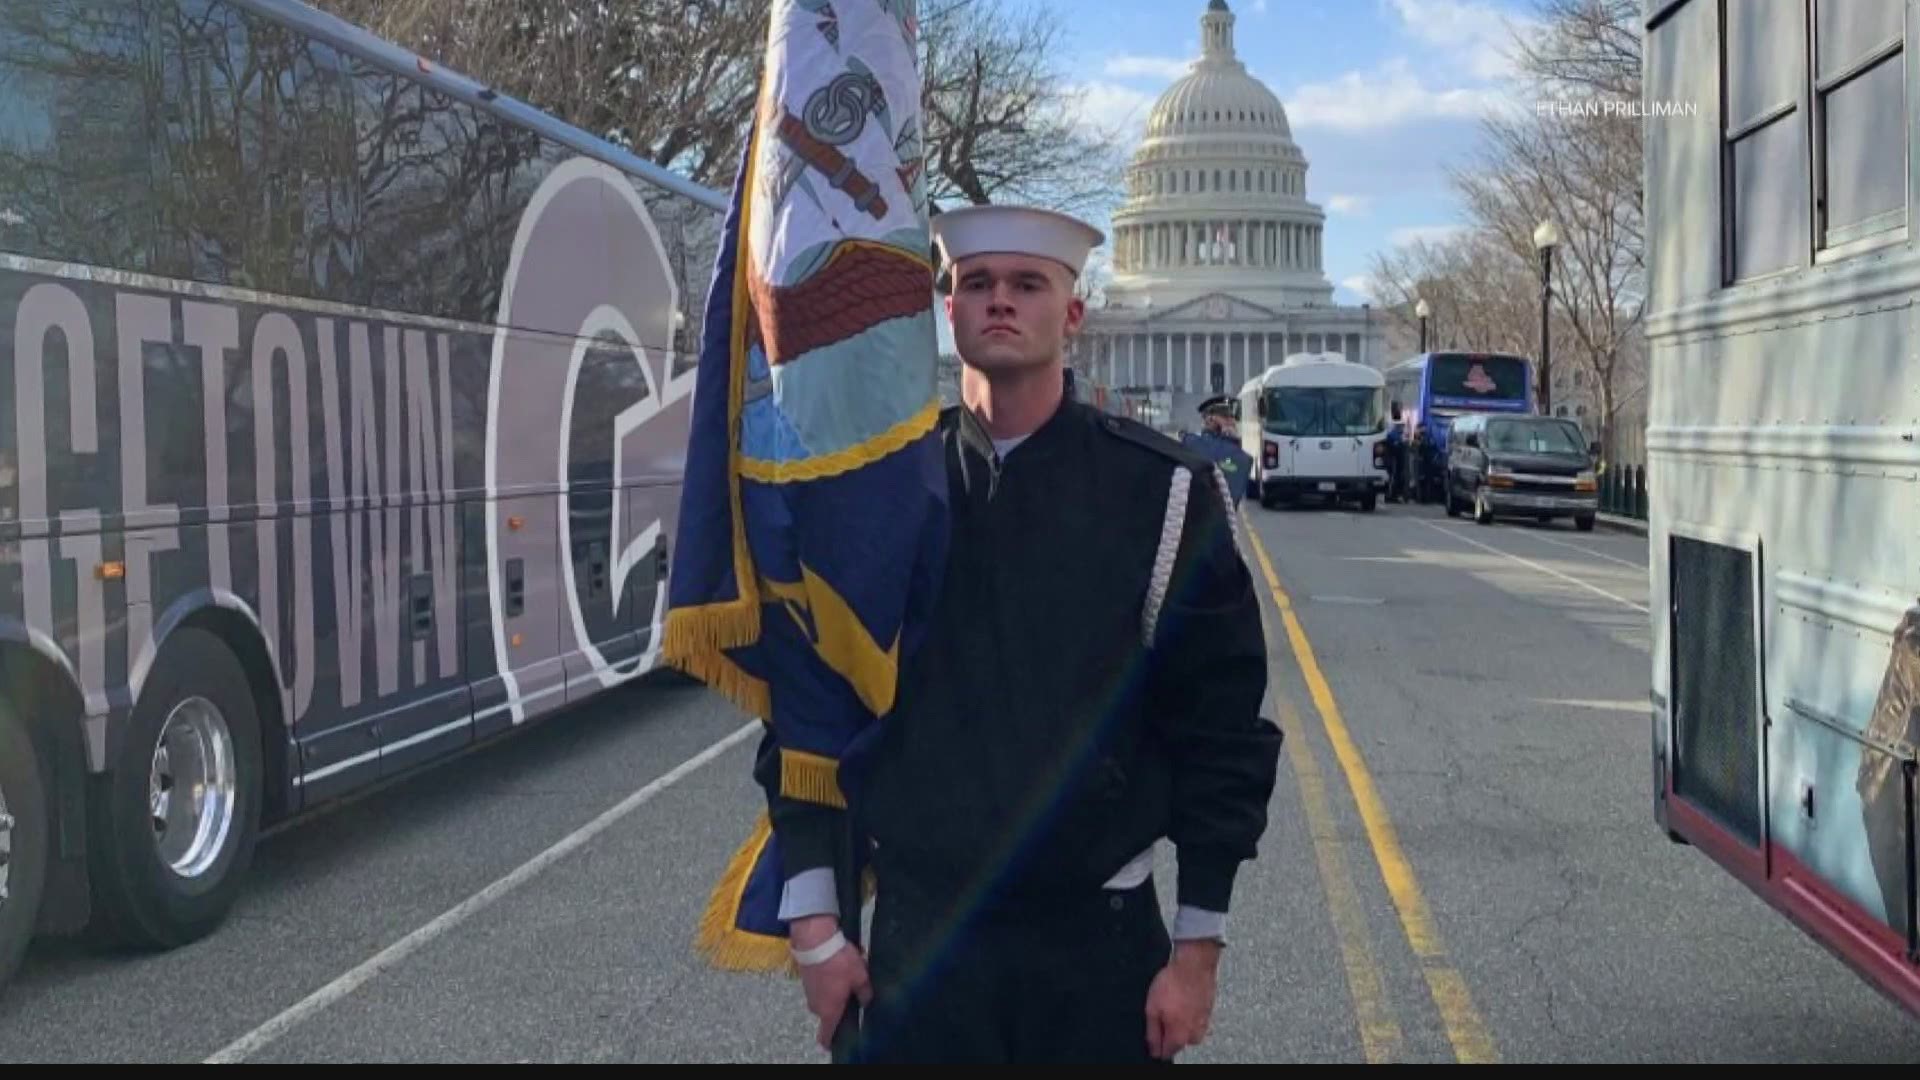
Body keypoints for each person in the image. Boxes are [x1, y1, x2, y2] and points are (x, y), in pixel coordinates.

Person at [756, 203, 1283, 1063]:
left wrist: (1197, 953)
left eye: (1028, 284)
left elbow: (1221, 732)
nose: (1001, 301)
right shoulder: (876, 496)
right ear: (949, 309)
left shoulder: (1163, 494)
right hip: (921, 943)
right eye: (977, 284)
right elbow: (811, 714)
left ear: (1072, 313)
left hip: (1097, 945)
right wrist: (816, 928)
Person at [1181, 395, 1255, 502]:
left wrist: (1233, 441)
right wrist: (1231, 442)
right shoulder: (1194, 442)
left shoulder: (1231, 447)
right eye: (1226, 417)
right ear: (1210, 419)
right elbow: (1217, 458)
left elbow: (1233, 468)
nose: (1232, 422)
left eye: (1232, 417)